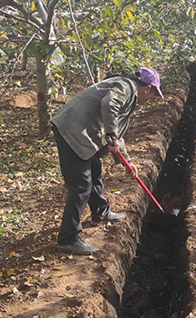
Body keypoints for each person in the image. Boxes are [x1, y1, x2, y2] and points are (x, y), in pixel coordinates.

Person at [50, 67, 163, 255]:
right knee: (81, 187)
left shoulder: (129, 96)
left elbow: (117, 134)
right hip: (72, 131)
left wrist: (127, 161)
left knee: (96, 170)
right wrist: (111, 135)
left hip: (84, 133)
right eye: (152, 95)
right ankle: (67, 238)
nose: (149, 100)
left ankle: (101, 212)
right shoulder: (126, 87)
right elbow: (110, 105)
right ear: (148, 88)